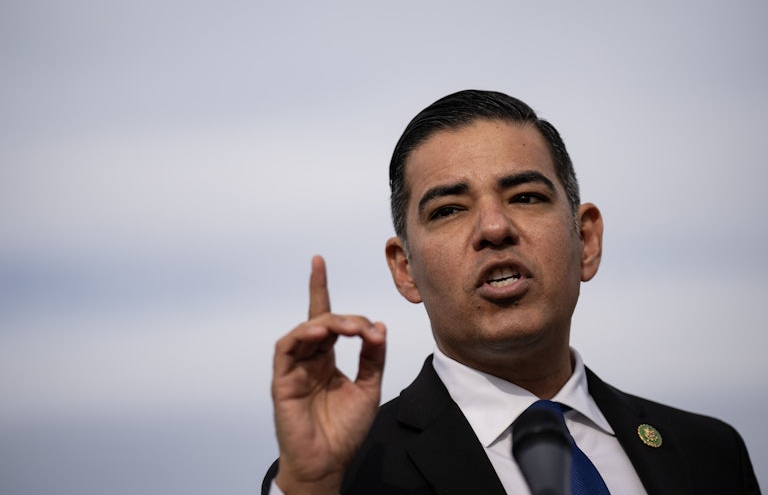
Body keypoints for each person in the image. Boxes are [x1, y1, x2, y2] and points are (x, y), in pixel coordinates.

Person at [264, 90, 760, 494]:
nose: (495, 227)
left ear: (585, 240)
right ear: (406, 270)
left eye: (525, 197)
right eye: (449, 210)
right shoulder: (346, 474)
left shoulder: (709, 453)